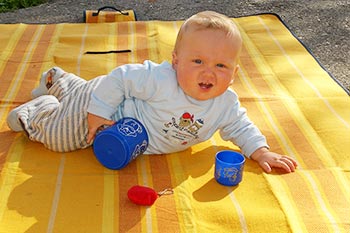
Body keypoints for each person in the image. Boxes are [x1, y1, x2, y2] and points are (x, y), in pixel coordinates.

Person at [7, 11, 297, 173]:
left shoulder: (225, 104)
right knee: (63, 139)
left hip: (125, 132)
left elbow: (240, 126)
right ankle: (37, 113)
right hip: (109, 106)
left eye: (221, 65)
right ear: (175, 61)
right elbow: (120, 78)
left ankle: (61, 81)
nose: (208, 72)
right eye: (197, 61)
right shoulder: (160, 79)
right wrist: (98, 113)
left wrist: (260, 152)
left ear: (234, 74)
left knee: (80, 112)